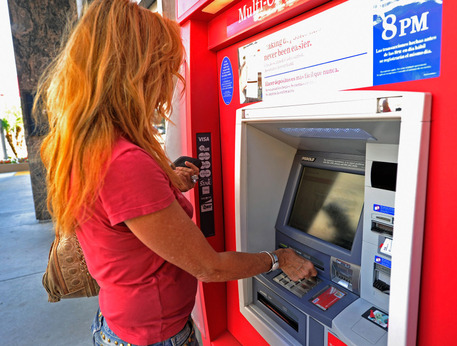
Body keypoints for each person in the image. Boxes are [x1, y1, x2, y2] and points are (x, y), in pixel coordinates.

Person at [35, 1, 317, 345]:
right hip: (153, 336)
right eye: (166, 68)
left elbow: (121, 213)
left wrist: (165, 182)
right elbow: (208, 267)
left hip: (124, 325)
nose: (169, 83)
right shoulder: (123, 162)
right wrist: (280, 258)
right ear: (136, 72)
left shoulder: (90, 145)